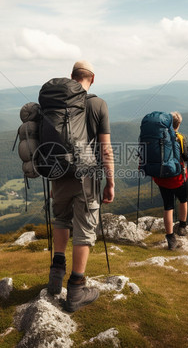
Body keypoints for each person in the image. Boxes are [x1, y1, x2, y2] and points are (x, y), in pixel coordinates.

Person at [47, 60, 115, 312]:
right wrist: (110, 182)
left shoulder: (57, 102)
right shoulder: (98, 104)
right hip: (86, 175)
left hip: (58, 171)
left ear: (71, 77)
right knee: (85, 227)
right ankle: (76, 290)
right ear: (92, 79)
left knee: (62, 219)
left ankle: (56, 274)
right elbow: (105, 148)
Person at [152, 111, 188, 250]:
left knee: (168, 206)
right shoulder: (179, 137)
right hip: (179, 177)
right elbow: (186, 157)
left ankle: (170, 238)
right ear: (178, 124)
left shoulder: (158, 137)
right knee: (183, 199)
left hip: (162, 179)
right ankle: (182, 226)